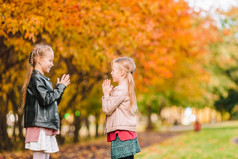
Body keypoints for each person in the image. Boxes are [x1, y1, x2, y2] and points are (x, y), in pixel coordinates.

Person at [21, 44, 70, 159]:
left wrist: (60, 88)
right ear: (40, 60)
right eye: (50, 60)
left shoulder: (42, 80)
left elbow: (52, 103)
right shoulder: (36, 79)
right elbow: (46, 100)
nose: (52, 64)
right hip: (39, 126)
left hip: (44, 124)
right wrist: (60, 88)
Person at [102, 57, 141, 159]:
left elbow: (107, 109)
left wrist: (106, 94)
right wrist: (110, 94)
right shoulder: (125, 88)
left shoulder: (121, 90)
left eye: (113, 70)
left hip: (122, 135)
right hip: (126, 134)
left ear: (122, 73)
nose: (111, 73)